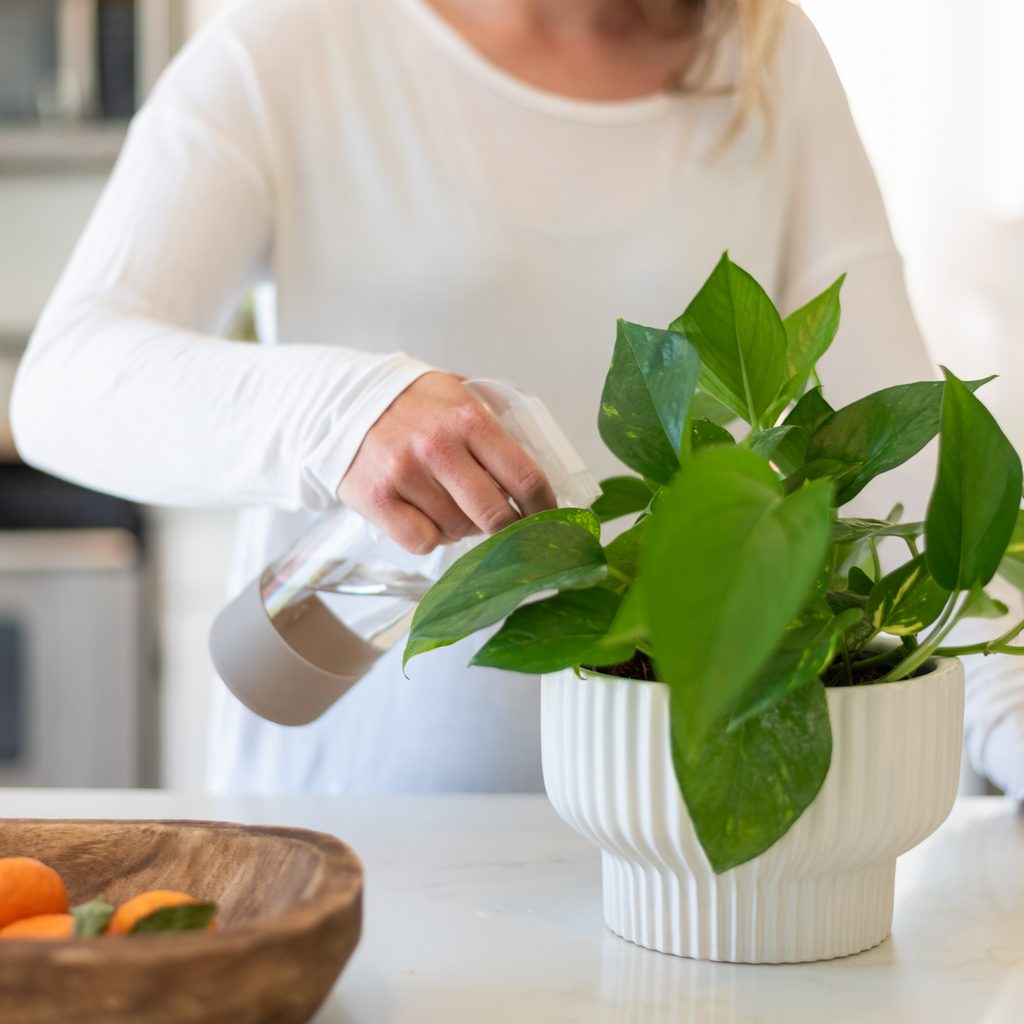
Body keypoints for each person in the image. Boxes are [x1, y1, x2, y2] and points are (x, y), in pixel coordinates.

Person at [13, 0, 988, 795]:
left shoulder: (763, 57)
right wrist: (340, 410)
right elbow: (66, 382)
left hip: (662, 845)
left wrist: (1007, 717)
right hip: (360, 845)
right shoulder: (294, 44)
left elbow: (904, 459)